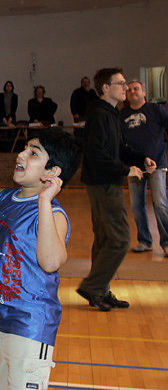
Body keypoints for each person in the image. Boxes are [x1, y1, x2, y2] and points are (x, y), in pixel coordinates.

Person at [0, 129, 81, 390]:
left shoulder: (53, 213)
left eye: (33, 153)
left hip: (30, 324)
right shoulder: (4, 198)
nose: (21, 154)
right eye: (25, 148)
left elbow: (51, 262)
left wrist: (45, 200)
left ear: (53, 172)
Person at [76, 68, 156, 311]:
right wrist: (125, 170)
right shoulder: (99, 115)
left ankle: (101, 290)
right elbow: (95, 154)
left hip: (105, 182)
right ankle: (92, 287)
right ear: (105, 88)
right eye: (120, 84)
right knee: (120, 240)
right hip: (102, 184)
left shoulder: (112, 114)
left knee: (104, 239)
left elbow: (121, 148)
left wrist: (142, 159)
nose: (125, 88)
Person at [121, 80, 168, 254]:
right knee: (136, 206)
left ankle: (166, 242)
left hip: (157, 164)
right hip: (135, 167)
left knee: (160, 203)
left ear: (144, 92)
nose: (133, 92)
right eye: (130, 90)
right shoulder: (122, 114)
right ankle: (145, 241)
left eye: (136, 89)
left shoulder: (156, 110)